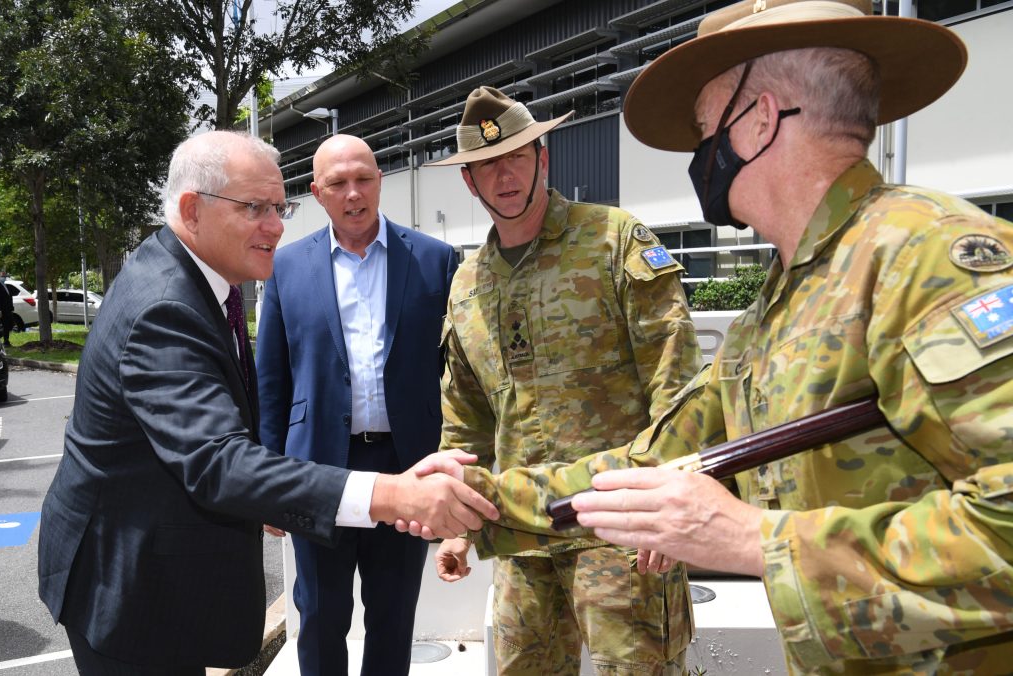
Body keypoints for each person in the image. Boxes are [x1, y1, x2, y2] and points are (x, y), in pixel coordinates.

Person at [426, 1, 1013, 673]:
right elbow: (658, 459)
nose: (700, 152)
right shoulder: (785, 301)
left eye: (705, 128)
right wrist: (477, 503)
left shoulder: (927, 258)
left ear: (759, 119)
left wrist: (754, 540)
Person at [36, 130, 498, 675]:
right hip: (129, 590)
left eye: (279, 208)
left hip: (158, 579)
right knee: (323, 617)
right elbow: (219, 459)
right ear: (192, 209)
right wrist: (394, 494)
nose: (277, 226)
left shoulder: (198, 282)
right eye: (255, 208)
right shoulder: (166, 308)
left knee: (391, 618)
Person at [423, 87, 702, 675]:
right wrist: (457, 526)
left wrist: (669, 500)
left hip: (620, 530)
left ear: (544, 157)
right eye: (485, 166)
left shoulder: (612, 239)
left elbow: (676, 384)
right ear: (469, 183)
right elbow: (465, 417)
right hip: (520, 536)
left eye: (516, 157)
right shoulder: (468, 284)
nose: (503, 176)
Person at [255, 134, 459, 676]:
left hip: (406, 464)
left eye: (363, 179)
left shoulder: (435, 262)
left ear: (379, 180)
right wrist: (268, 478)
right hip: (316, 466)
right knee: (320, 614)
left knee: (393, 615)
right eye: (338, 183)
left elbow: (458, 376)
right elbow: (271, 380)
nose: (353, 194)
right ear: (318, 193)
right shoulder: (284, 267)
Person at [0, 272, 14, 346]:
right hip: (0, 310)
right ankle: (0, 341)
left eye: (5, 276)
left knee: (9, 325)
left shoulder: (6, 286)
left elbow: (9, 298)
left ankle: (5, 341)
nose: (4, 278)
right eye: (2, 276)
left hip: (7, 309)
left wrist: (11, 308)